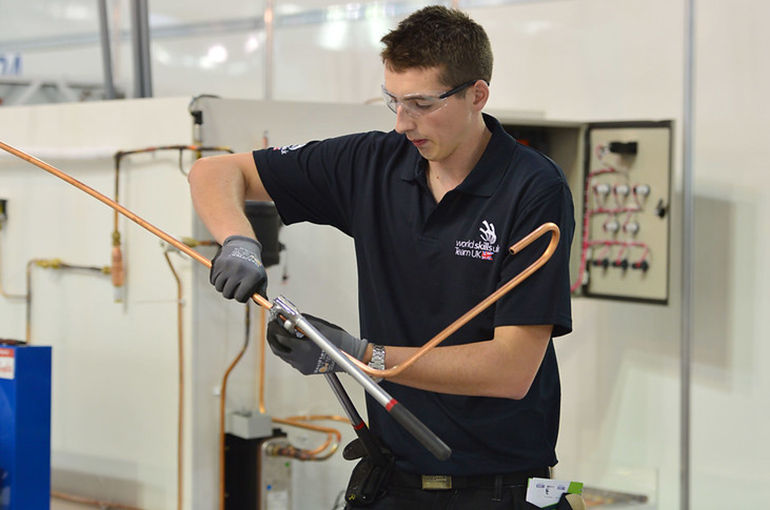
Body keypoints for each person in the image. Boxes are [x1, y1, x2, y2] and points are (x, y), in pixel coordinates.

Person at [188, 5, 575, 509]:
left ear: (477, 94)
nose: (401, 123)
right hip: (392, 483)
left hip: (499, 489)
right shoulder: (373, 163)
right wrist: (239, 240)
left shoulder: (532, 188)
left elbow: (511, 370)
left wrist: (359, 355)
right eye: (393, 100)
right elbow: (215, 172)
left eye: (421, 103)